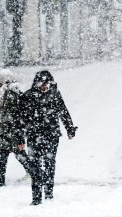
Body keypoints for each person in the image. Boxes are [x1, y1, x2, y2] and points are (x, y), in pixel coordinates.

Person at [22, 70, 77, 205]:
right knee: (34, 165)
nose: (45, 87)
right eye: (42, 84)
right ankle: (36, 197)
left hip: (52, 135)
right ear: (36, 83)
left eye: (47, 84)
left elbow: (63, 112)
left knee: (49, 163)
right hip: (34, 136)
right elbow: (21, 119)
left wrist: (70, 128)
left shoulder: (55, 94)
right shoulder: (28, 96)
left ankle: (48, 192)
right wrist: (19, 137)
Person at [0, 69, 46, 189]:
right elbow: (7, 112)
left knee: (16, 154)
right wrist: (0, 118)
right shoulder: (7, 91)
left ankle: (36, 174)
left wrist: (18, 137)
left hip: (10, 132)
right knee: (1, 153)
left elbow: (14, 115)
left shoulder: (10, 92)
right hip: (7, 131)